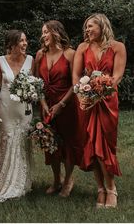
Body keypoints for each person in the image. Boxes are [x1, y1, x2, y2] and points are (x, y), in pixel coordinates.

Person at [72, 13, 126, 208]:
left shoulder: (118, 47)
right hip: (87, 103)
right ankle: (100, 189)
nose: (87, 30)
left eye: (91, 26)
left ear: (102, 26)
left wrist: (101, 91)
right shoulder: (82, 48)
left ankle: (111, 189)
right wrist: (82, 96)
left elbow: (117, 76)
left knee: (105, 144)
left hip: (107, 102)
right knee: (91, 146)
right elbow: (76, 76)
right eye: (86, 27)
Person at [0, 29, 34, 202]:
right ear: (12, 44)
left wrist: (32, 91)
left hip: (24, 108)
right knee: (8, 137)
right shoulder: (1, 60)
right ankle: (5, 179)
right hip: (6, 106)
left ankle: (22, 180)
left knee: (22, 139)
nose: (25, 44)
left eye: (25, 40)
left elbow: (34, 82)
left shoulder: (30, 60)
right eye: (21, 41)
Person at [35, 20, 78, 197]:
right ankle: (56, 179)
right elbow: (37, 83)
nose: (43, 35)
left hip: (66, 104)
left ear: (56, 32)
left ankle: (68, 180)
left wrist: (61, 104)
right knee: (50, 142)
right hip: (47, 104)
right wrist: (44, 104)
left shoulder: (70, 54)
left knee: (67, 143)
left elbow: (76, 84)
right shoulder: (40, 54)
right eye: (43, 32)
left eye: (46, 32)